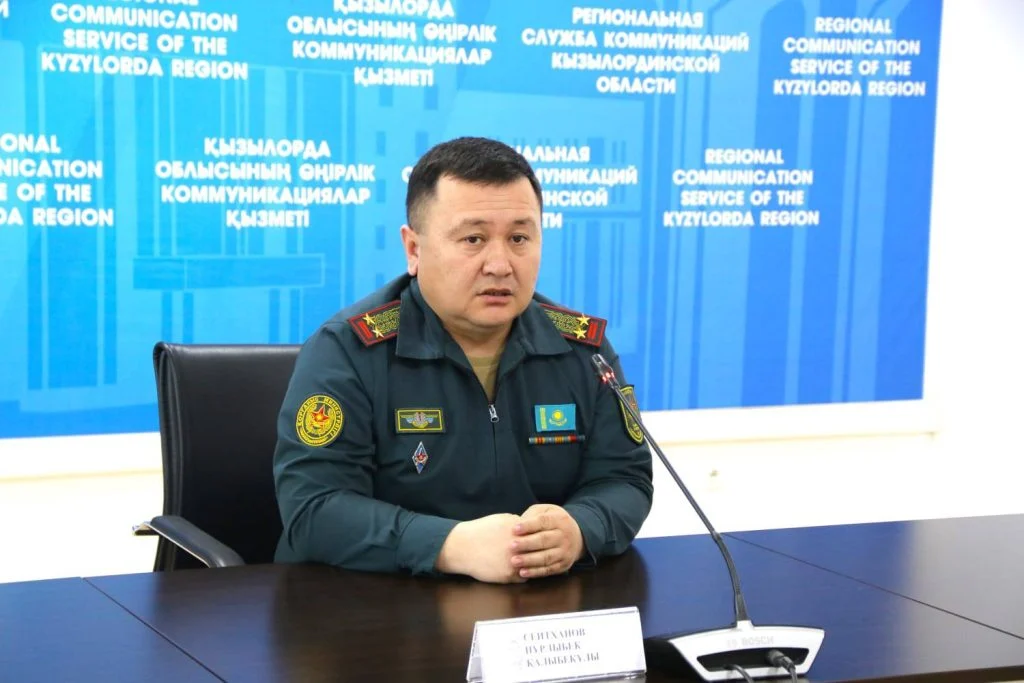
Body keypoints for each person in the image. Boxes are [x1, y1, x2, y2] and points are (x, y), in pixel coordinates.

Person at [273, 136, 653, 584]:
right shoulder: (347, 351)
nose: (500, 264)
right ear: (414, 249)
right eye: (474, 239)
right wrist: (448, 546)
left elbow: (626, 478)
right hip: (371, 605)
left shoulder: (583, 351)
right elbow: (313, 508)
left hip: (535, 607)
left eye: (519, 238)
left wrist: (579, 529)